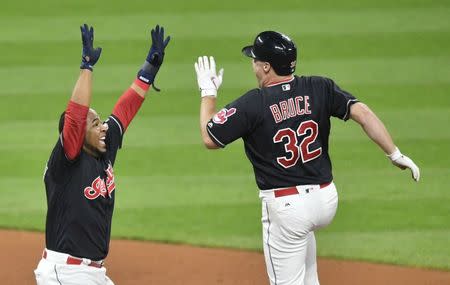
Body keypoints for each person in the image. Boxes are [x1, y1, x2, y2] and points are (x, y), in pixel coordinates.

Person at [194, 31, 420, 285]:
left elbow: (209, 137)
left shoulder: (253, 103)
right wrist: (394, 153)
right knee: (309, 278)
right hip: (325, 199)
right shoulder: (319, 87)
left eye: (255, 60)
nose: (253, 64)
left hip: (288, 208)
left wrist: (208, 92)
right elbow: (363, 113)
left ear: (267, 67)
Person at [34, 23, 170, 285]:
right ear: (79, 137)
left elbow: (125, 109)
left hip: (93, 273)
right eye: (95, 124)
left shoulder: (103, 149)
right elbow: (75, 117)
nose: (104, 127)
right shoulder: (66, 161)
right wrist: (86, 67)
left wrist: (149, 69)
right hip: (66, 273)